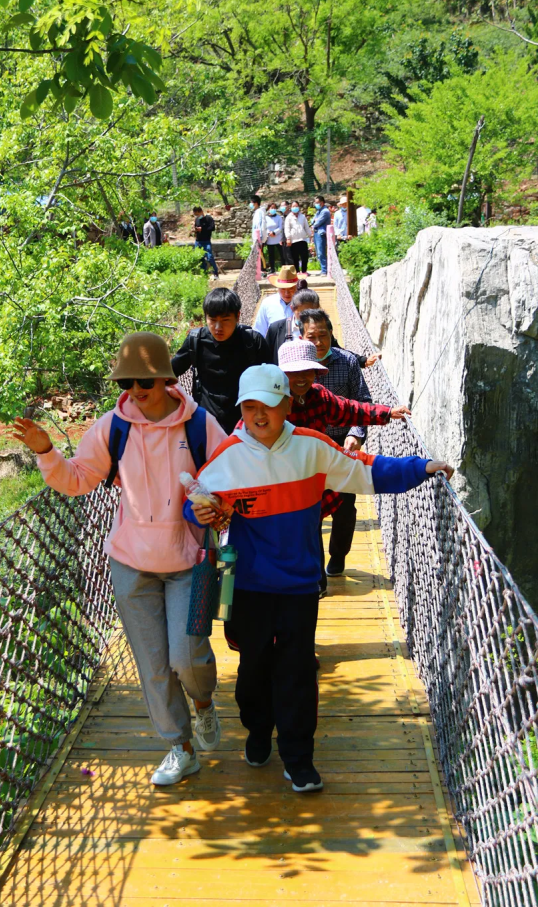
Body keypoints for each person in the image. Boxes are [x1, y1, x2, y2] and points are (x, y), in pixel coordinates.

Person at [186, 363, 453, 793]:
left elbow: (365, 470)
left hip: (298, 586)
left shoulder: (312, 448)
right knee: (253, 669)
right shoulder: (228, 457)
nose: (258, 416)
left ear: (287, 405)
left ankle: (298, 756)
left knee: (296, 671)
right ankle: (257, 729)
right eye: (249, 406)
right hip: (249, 585)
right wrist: (197, 510)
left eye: (268, 406)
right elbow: (198, 501)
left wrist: (421, 469)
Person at [13, 332, 227, 787]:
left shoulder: (201, 425)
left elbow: (231, 480)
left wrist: (218, 505)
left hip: (191, 561)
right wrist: (45, 452)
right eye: (127, 380)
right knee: (152, 664)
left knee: (187, 660)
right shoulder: (113, 427)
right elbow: (77, 480)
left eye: (143, 381)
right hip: (131, 563)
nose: (135, 390)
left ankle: (204, 704)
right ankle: (180, 746)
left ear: (166, 379)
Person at [279, 339, 411, 595]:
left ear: (316, 372)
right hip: (278, 483)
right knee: (293, 533)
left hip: (310, 480)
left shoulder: (318, 396)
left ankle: (315, 585)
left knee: (311, 525)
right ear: (282, 373)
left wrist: (386, 413)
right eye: (293, 373)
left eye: (307, 371)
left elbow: (350, 409)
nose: (301, 378)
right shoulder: (272, 401)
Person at [299, 308, 373, 577]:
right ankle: (315, 573)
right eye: (311, 336)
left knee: (344, 506)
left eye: (323, 335)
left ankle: (338, 555)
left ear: (332, 334)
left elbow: (363, 401)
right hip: (306, 446)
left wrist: (356, 433)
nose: (318, 342)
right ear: (300, 336)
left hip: (342, 444)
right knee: (310, 510)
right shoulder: (293, 364)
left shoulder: (348, 362)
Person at [172, 288, 271, 434]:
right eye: (212, 320)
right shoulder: (196, 341)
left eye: (225, 320)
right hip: (206, 424)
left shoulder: (252, 342)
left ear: (238, 316)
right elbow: (169, 372)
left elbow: (271, 381)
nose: (218, 328)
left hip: (246, 424)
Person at [266, 288, 378, 370]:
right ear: (292, 309)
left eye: (313, 312)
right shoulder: (277, 329)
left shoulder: (321, 330)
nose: (308, 317)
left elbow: (337, 351)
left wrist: (362, 361)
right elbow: (267, 359)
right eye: (303, 313)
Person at [253, 263, 303, 338]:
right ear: (277, 287)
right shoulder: (268, 303)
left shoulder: (304, 303)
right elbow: (259, 332)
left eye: (291, 288)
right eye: (283, 289)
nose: (287, 293)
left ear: (296, 287)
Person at [283, 200, 311, 274]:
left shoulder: (302, 216)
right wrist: (288, 238)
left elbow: (306, 227)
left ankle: (304, 271)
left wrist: (310, 235)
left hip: (302, 239)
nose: (295, 208)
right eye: (293, 206)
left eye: (296, 206)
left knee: (304, 256)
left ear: (298, 207)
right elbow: (287, 228)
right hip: (293, 240)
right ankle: (297, 271)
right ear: (290, 207)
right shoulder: (288, 218)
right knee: (295, 257)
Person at [193, 205, 219, 278]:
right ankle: (204, 274)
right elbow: (196, 228)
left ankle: (215, 273)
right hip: (198, 241)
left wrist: (202, 229)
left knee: (210, 257)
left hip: (206, 241)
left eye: (197, 214)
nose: (197, 216)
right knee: (200, 258)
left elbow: (212, 228)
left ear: (201, 211)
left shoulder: (208, 218)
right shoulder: (197, 219)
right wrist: (195, 230)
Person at [311, 195, 330, 275]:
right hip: (316, 233)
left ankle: (324, 270)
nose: (316, 204)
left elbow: (317, 222)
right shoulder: (319, 211)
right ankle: (323, 269)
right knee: (318, 252)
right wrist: (314, 221)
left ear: (322, 202)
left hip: (321, 233)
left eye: (317, 202)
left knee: (321, 252)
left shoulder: (325, 211)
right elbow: (312, 220)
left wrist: (315, 222)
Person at [265, 200, 285, 272]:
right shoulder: (266, 218)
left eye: (274, 208)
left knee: (282, 254)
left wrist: (274, 232)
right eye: (271, 208)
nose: (273, 209)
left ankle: (284, 268)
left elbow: (280, 227)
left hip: (278, 238)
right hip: (270, 239)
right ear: (268, 209)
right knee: (271, 255)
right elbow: (264, 227)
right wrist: (269, 233)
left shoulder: (279, 217)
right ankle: (272, 268)